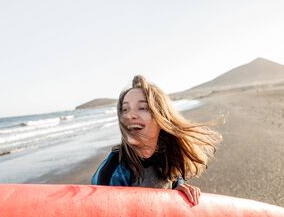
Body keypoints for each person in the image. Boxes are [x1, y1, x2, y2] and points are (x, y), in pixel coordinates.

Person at [91, 75, 221, 205]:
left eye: (142, 108)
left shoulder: (168, 154)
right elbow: (101, 213)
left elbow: (174, 179)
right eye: (125, 110)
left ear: (161, 117)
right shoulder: (115, 169)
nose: (130, 115)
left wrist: (178, 187)